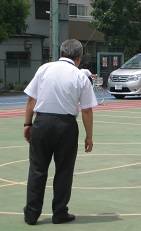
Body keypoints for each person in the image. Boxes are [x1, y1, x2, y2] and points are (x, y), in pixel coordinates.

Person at [23, 39, 98, 225]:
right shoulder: (80, 76)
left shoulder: (44, 69)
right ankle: (59, 212)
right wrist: (89, 136)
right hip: (66, 125)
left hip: (42, 122)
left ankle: (32, 214)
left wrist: (27, 124)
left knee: (37, 170)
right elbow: (87, 110)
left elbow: (31, 100)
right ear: (79, 57)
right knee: (64, 171)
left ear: (61, 53)